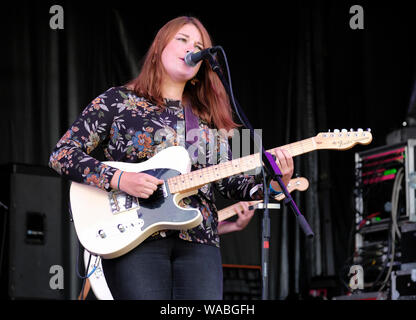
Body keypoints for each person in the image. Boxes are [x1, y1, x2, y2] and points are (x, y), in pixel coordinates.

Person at [49, 16, 294, 300]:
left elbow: (232, 183)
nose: (192, 48)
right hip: (134, 238)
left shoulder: (210, 118)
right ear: (159, 48)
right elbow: (62, 154)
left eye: (199, 45)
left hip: (200, 240)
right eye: (182, 39)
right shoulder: (117, 101)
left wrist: (276, 183)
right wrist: (120, 178)